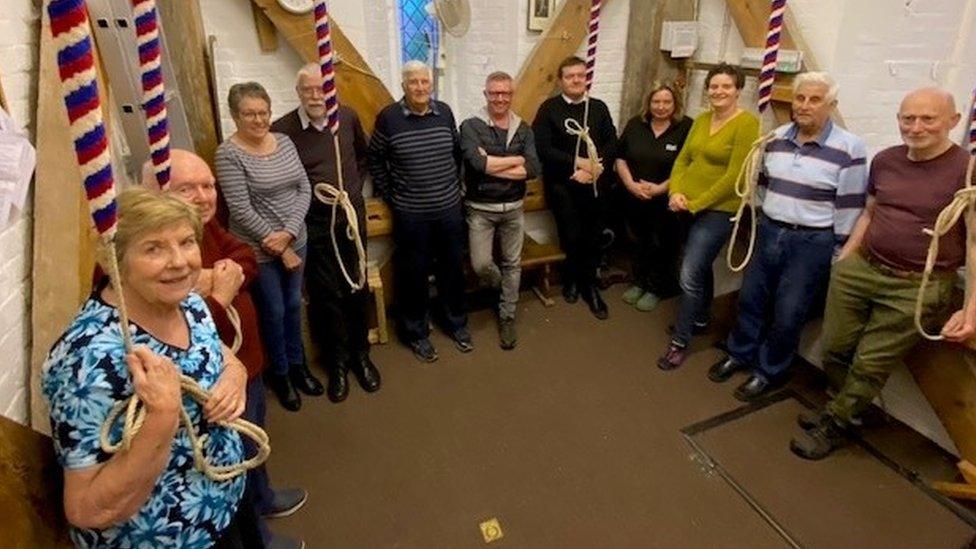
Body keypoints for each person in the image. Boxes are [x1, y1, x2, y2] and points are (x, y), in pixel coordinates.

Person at [42, 189, 255, 547]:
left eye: (187, 242)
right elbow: (86, 511)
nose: (180, 262)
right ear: (114, 262)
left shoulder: (188, 303)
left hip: (221, 504)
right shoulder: (88, 360)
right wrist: (162, 417)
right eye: (153, 248)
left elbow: (215, 352)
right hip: (166, 537)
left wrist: (236, 374)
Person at [790, 87, 976, 460]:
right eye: (908, 118)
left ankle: (837, 422)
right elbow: (871, 211)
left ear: (953, 122)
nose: (916, 126)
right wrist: (847, 255)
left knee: (869, 364)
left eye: (928, 119)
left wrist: (971, 308)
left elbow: (974, 242)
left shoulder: (967, 172)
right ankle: (843, 408)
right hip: (862, 267)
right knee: (835, 348)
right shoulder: (886, 160)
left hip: (916, 286)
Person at [145, 150, 307, 548]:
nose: (203, 196)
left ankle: (264, 498)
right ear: (154, 191)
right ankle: (260, 541)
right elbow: (187, 336)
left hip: (244, 365)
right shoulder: (142, 262)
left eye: (208, 186)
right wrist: (217, 294)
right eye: (188, 188)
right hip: (214, 384)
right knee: (230, 463)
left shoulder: (205, 227)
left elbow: (244, 258)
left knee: (252, 440)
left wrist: (217, 281)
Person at [708, 72, 869, 402]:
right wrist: (768, 218)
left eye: (815, 99)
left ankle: (768, 370)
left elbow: (850, 204)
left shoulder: (849, 149)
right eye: (800, 98)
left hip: (811, 242)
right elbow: (764, 186)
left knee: (789, 311)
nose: (805, 105)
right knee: (751, 298)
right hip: (771, 230)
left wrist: (840, 248)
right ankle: (740, 353)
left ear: (831, 105)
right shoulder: (776, 138)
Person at [272, 64, 382, 402]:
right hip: (313, 221)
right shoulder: (284, 130)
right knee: (325, 292)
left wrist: (350, 190)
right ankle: (336, 362)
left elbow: (362, 157)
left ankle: (361, 356)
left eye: (322, 89)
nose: (316, 95)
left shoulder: (345, 119)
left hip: (349, 215)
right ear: (299, 92)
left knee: (357, 284)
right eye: (309, 89)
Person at [215, 82, 319, 411]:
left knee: (293, 305)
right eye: (250, 114)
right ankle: (282, 374)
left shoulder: (285, 142)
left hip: (295, 239)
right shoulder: (228, 154)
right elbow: (241, 209)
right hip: (259, 250)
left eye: (263, 113)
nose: (258, 120)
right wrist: (280, 247)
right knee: (272, 311)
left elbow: (304, 188)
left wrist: (289, 234)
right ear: (235, 116)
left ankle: (299, 364)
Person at [657, 63, 760, 370]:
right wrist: (675, 191)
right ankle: (701, 316)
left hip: (717, 210)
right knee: (695, 264)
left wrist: (696, 203)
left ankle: (680, 341)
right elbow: (683, 159)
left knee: (689, 273)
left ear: (738, 90)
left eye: (726, 86)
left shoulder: (747, 124)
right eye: (714, 86)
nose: (718, 91)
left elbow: (733, 176)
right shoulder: (701, 120)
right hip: (685, 204)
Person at [368, 60, 472, 362]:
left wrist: (455, 189)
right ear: (403, 85)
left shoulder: (445, 113)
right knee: (412, 276)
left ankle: (456, 323)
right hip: (411, 215)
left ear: (431, 84)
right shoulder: (388, 118)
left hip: (449, 210)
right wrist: (393, 196)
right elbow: (376, 159)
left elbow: (455, 153)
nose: (420, 87)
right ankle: (415, 333)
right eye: (413, 82)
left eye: (425, 82)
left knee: (452, 270)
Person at [460, 71, 541, 349]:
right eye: (494, 93)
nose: (500, 98)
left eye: (505, 93)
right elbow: (476, 165)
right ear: (486, 94)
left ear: (512, 95)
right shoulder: (470, 126)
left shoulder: (524, 128)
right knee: (481, 264)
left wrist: (497, 163)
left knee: (512, 264)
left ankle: (507, 315)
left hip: (514, 209)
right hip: (480, 209)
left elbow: (532, 168)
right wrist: (514, 161)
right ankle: (501, 288)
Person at [533, 55, 617, 320]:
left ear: (586, 77)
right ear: (561, 80)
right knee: (570, 235)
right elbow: (544, 148)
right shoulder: (549, 109)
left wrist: (597, 168)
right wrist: (577, 166)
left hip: (596, 184)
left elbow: (611, 140)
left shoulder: (599, 108)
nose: (576, 80)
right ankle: (571, 278)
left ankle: (589, 285)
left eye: (580, 75)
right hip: (564, 186)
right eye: (570, 76)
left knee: (593, 236)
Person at [615, 81, 693, 312]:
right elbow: (620, 158)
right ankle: (639, 281)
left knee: (664, 245)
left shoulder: (687, 127)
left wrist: (660, 189)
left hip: (668, 201)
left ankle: (657, 288)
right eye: (656, 101)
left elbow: (688, 166)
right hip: (635, 196)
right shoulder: (635, 124)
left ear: (675, 103)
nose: (661, 106)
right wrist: (630, 184)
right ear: (648, 103)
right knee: (639, 241)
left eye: (666, 101)